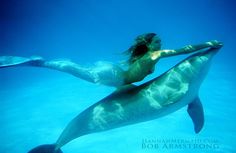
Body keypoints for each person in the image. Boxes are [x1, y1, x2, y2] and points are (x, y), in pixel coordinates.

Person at [0, 33, 222, 87]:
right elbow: (185, 50)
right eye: (157, 42)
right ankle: (38, 62)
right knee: (75, 70)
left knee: (79, 68)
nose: (161, 45)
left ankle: (45, 61)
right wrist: (209, 44)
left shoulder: (145, 54)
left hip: (114, 71)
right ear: (150, 45)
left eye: (160, 42)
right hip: (114, 77)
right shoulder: (155, 55)